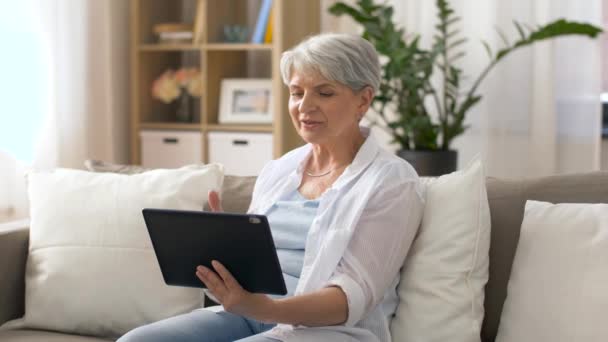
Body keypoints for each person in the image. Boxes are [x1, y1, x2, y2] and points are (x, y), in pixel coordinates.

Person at [118, 33, 425, 342]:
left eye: (324, 93)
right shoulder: (279, 170)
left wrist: (264, 308)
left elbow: (350, 299)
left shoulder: (392, 182)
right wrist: (222, 249)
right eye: (296, 92)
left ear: (363, 99)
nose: (305, 106)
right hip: (250, 314)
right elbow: (252, 272)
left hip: (329, 331)